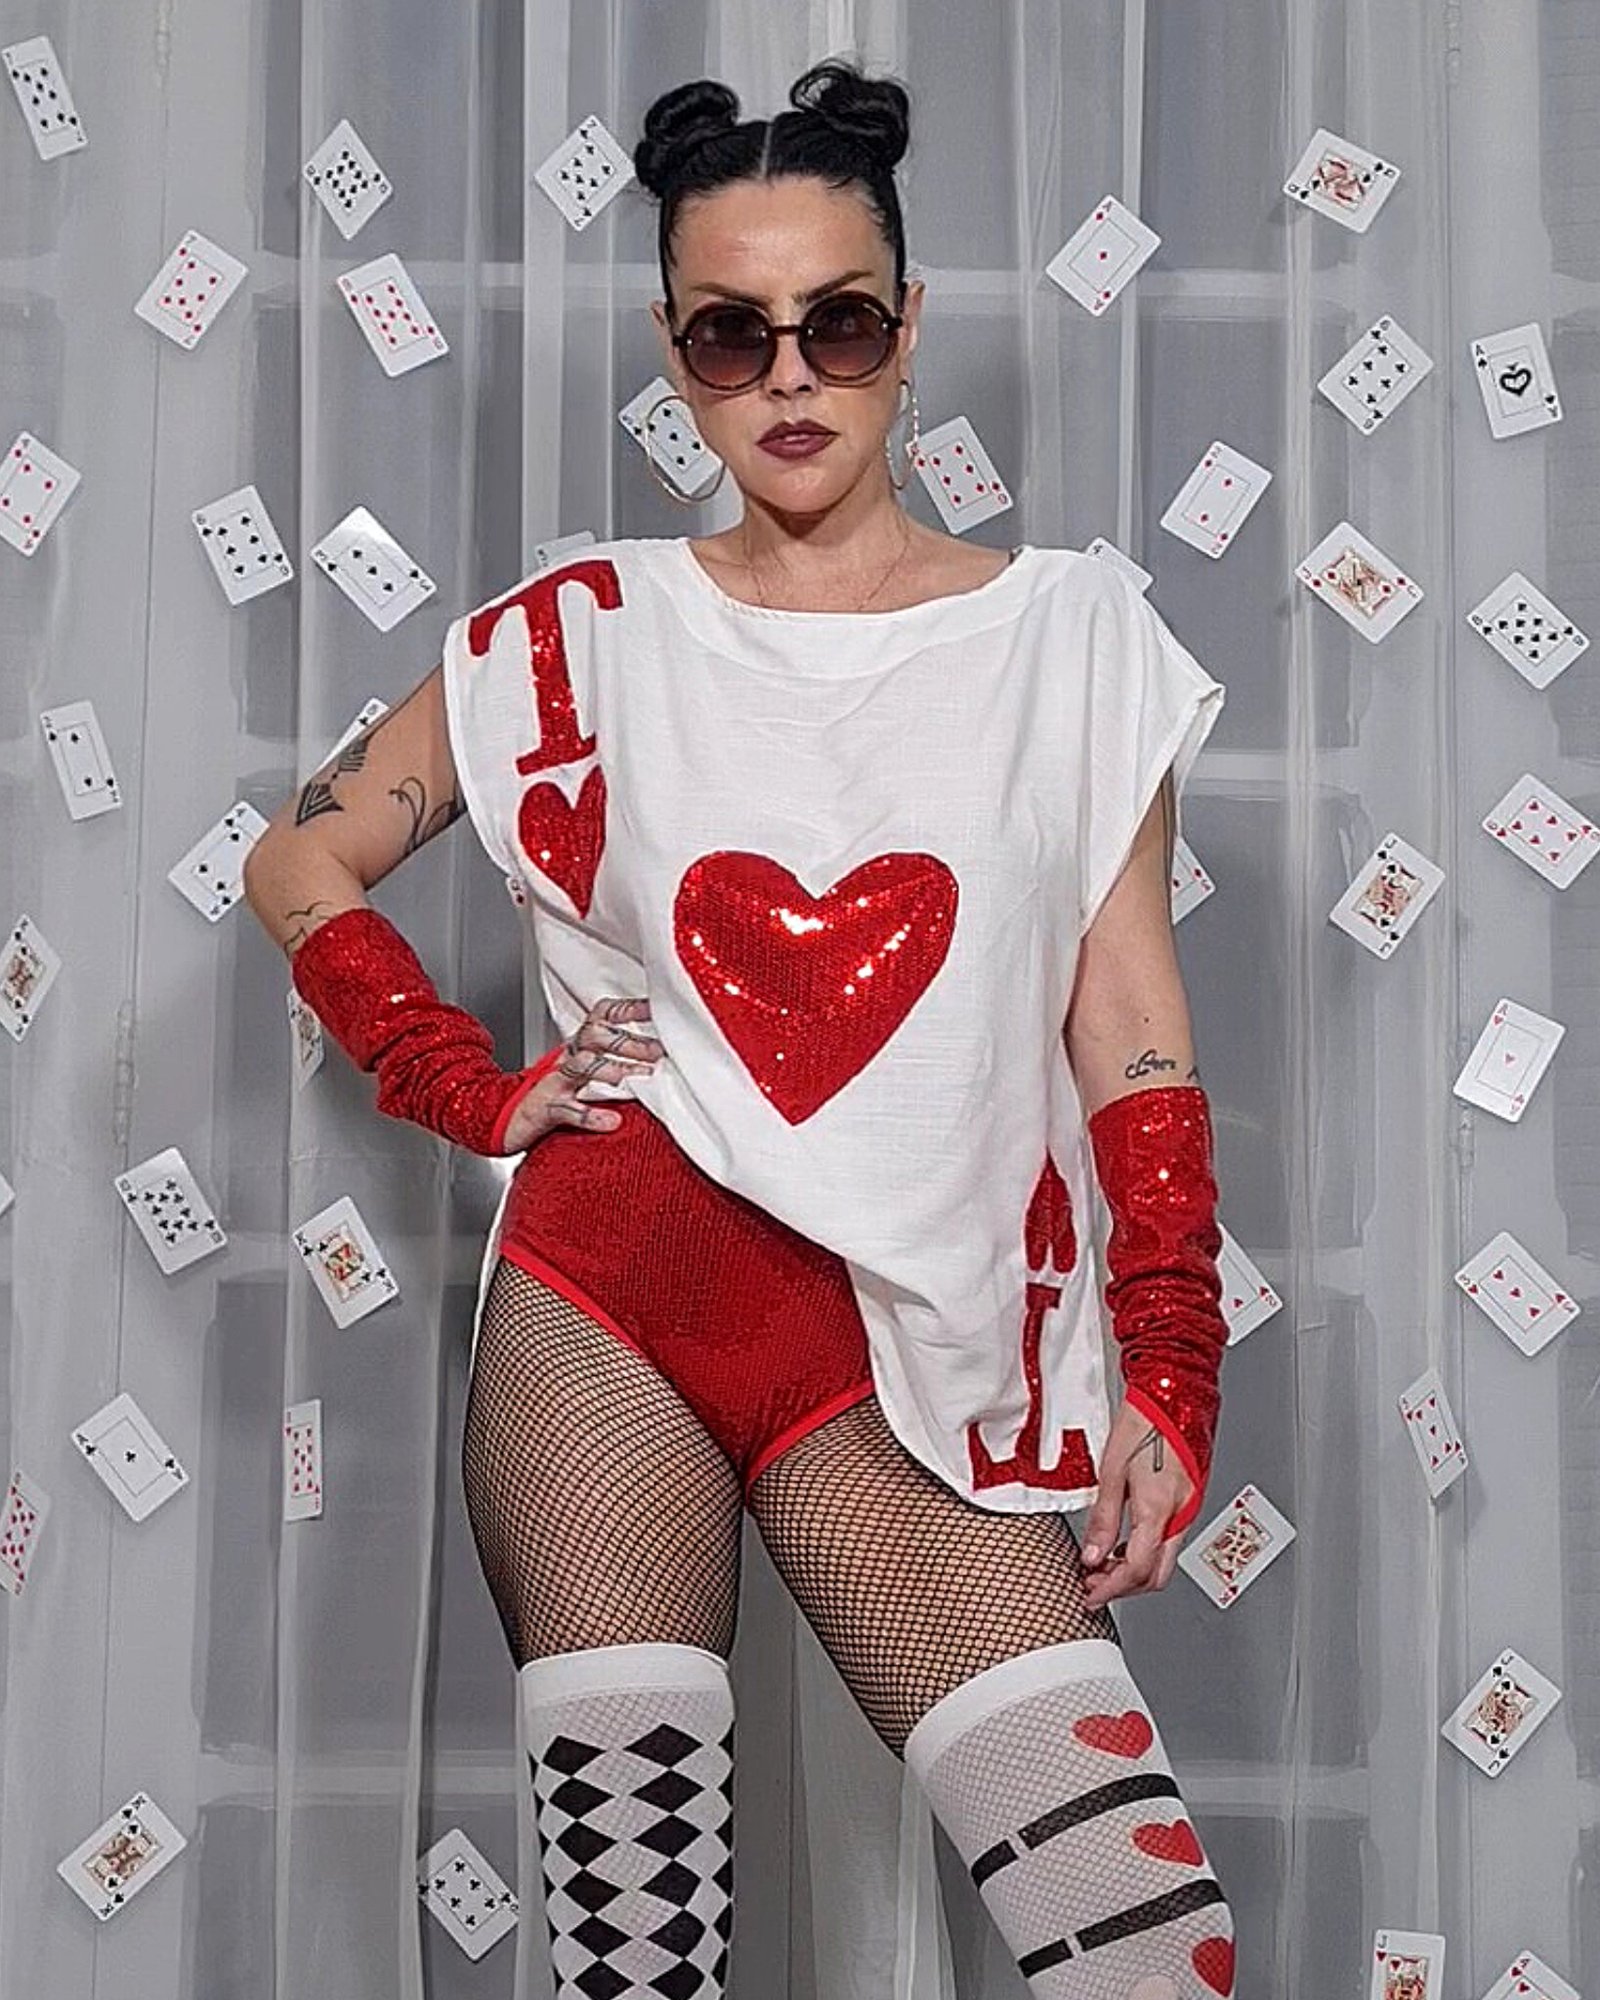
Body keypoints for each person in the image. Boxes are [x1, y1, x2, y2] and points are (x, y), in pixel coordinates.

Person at [243, 56, 1238, 2000]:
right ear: (673, 351)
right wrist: (462, 1084)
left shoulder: (1070, 638)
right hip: (605, 1303)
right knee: (643, 1970)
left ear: (908, 325)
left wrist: (1171, 1367)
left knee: (1145, 1950)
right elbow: (300, 861)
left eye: (837, 324)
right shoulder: (573, 633)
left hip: (907, 1336)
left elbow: (1129, 1025)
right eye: (729, 334)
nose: (789, 379)